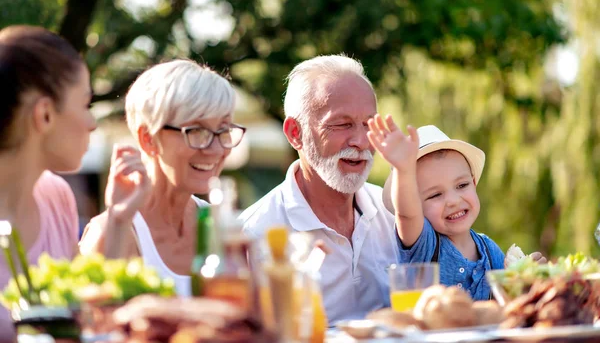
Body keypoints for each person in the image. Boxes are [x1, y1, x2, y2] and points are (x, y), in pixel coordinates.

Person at [0, 25, 148, 342]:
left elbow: (83, 319)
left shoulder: (56, 196)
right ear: (45, 115)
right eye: (84, 104)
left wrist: (119, 219)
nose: (92, 123)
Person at [239, 55, 399, 323]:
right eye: (341, 124)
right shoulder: (256, 235)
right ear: (294, 133)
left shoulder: (395, 211)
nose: (360, 141)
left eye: (368, 124)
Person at [79, 59, 245, 297]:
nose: (215, 149)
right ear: (148, 139)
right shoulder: (114, 230)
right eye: (196, 131)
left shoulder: (220, 228)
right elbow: (97, 327)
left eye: (224, 130)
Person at [367, 118, 545, 300]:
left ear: (474, 183)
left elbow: (506, 305)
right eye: (435, 195)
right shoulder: (423, 244)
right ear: (416, 205)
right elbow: (406, 214)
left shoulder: (491, 252)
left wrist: (522, 280)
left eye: (462, 185)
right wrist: (403, 170)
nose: (452, 201)